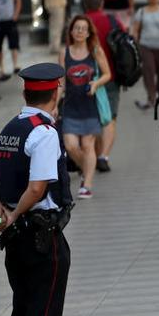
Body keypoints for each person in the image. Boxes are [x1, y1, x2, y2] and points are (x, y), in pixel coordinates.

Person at [0, 62, 73, 316]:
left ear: (25, 94)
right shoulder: (44, 133)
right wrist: (16, 213)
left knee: (22, 308)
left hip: (15, 237)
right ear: (55, 94)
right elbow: (37, 188)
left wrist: (2, 214)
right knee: (43, 314)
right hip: (41, 236)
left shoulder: (9, 130)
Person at [58, 15, 111, 199]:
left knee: (88, 145)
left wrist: (96, 84)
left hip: (90, 106)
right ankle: (86, 167)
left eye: (83, 29)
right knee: (71, 146)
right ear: (71, 31)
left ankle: (86, 184)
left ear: (88, 33)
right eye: (77, 28)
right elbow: (61, 82)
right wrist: (54, 104)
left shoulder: (94, 50)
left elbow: (107, 74)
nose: (80, 31)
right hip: (71, 106)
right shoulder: (64, 52)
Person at [81, 0, 122, 173]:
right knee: (110, 116)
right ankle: (103, 156)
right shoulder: (112, 20)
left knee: (94, 117)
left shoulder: (79, 24)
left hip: (85, 78)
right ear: (102, 3)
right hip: (110, 75)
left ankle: (95, 155)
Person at [130, 0, 159, 109]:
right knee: (149, 70)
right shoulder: (141, 12)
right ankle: (151, 97)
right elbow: (135, 29)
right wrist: (134, 40)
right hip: (145, 46)